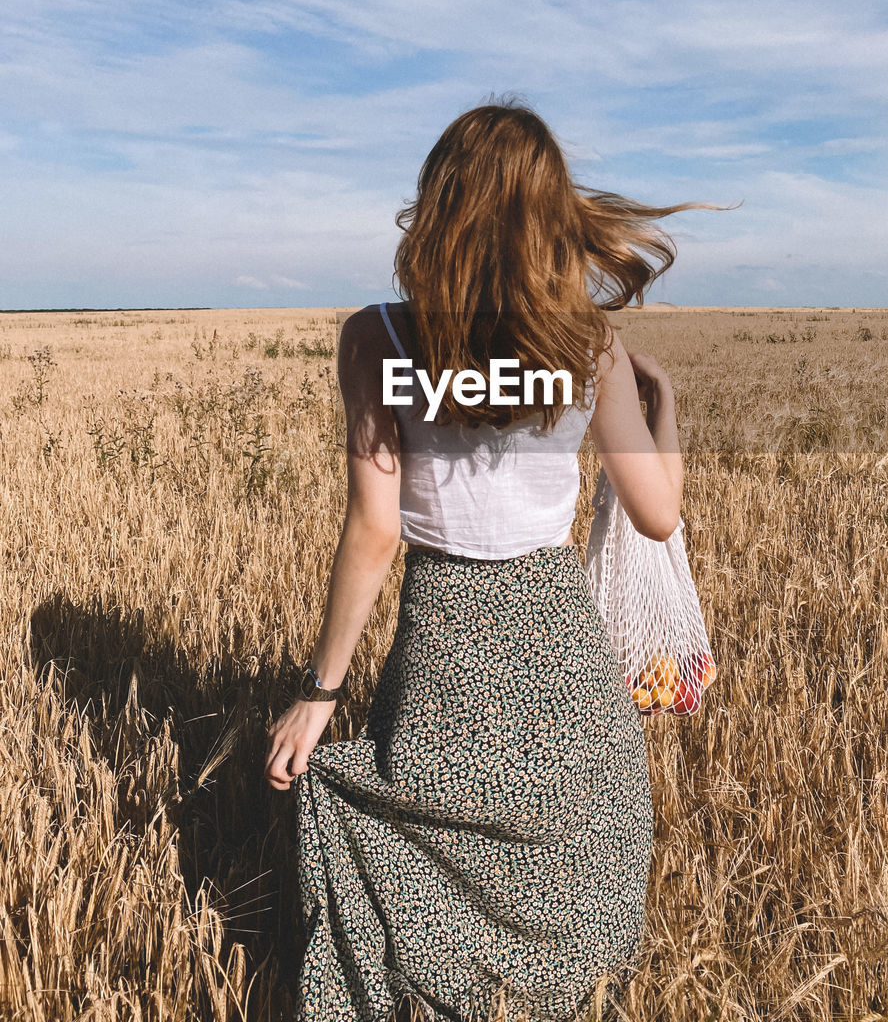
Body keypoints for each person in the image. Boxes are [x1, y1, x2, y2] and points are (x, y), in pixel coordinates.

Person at [264, 101, 715, 1022]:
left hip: (443, 640)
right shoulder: (589, 345)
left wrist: (320, 691)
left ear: (439, 209)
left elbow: (375, 531)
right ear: (552, 221)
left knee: (425, 822)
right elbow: (659, 514)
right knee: (575, 845)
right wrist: (661, 404)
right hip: (559, 643)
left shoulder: (379, 338)